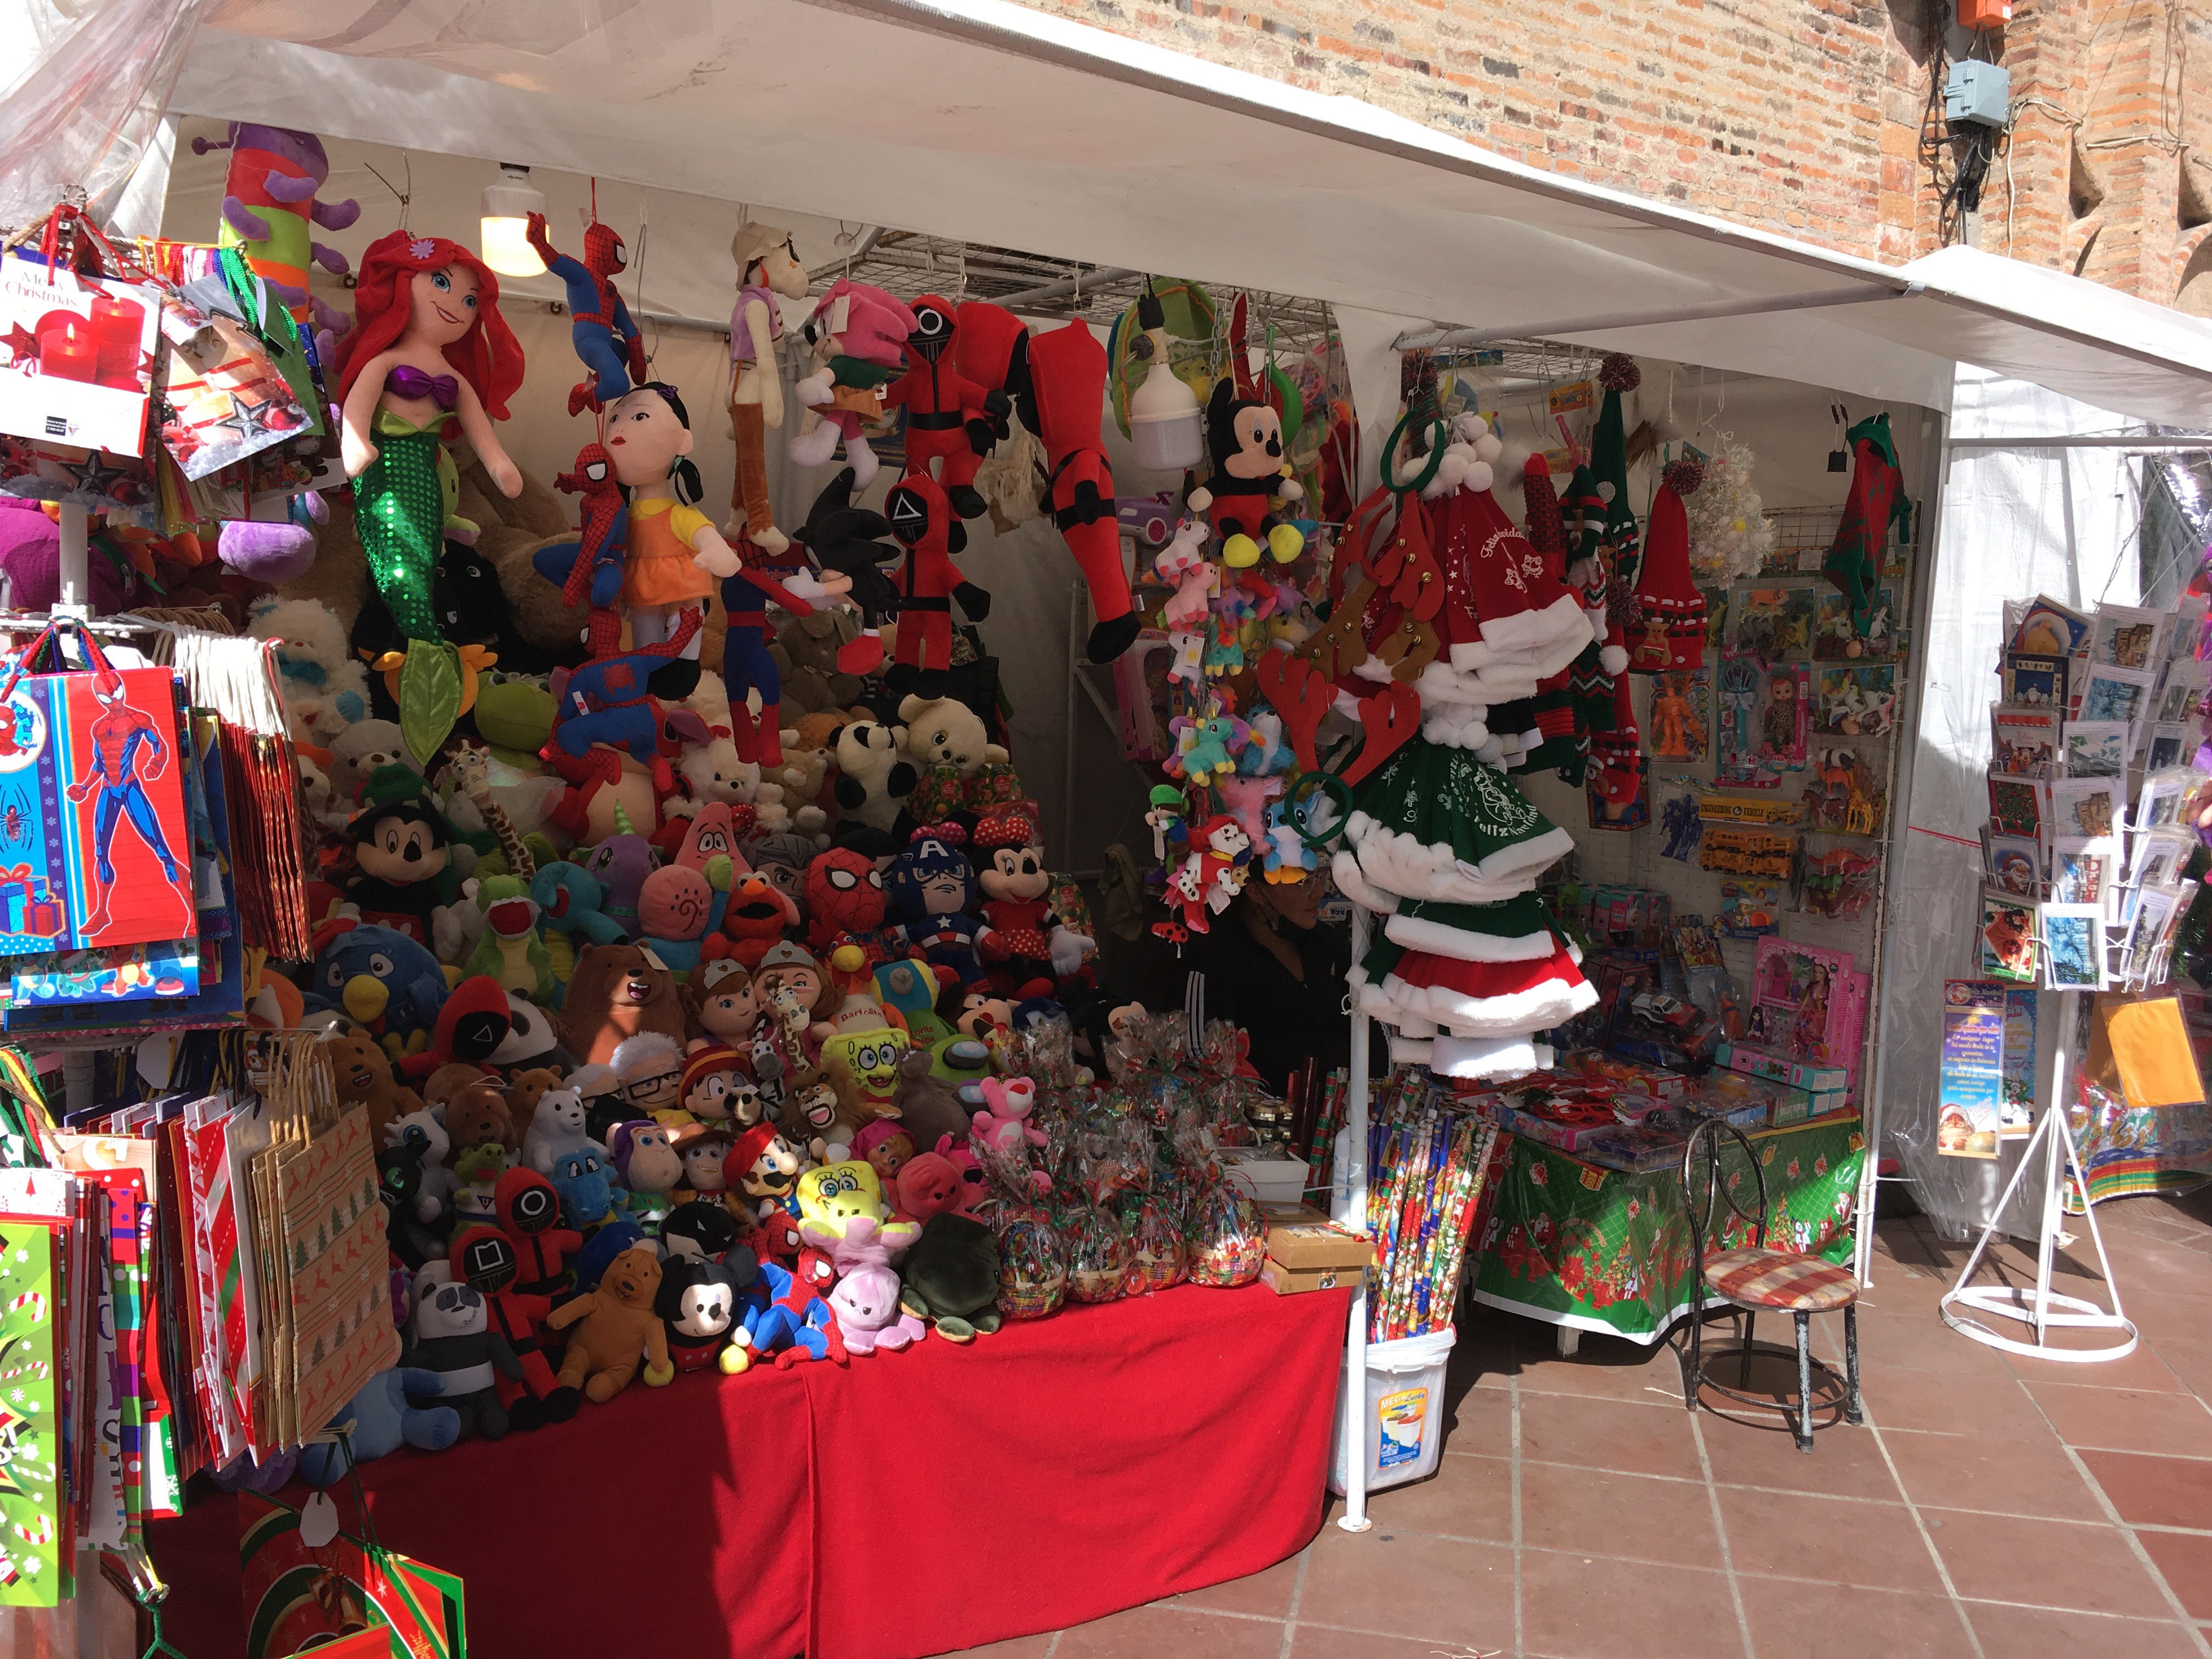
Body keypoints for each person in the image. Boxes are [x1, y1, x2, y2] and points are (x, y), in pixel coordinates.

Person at [1155, 871, 1351, 1092]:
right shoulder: (1215, 956)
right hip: (1253, 1108)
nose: (1318, 892)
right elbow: (1198, 1059)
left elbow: (1367, 1030)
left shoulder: (1328, 944)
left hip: (1344, 1104)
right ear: (1256, 893)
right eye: (1302, 883)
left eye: (1318, 879)